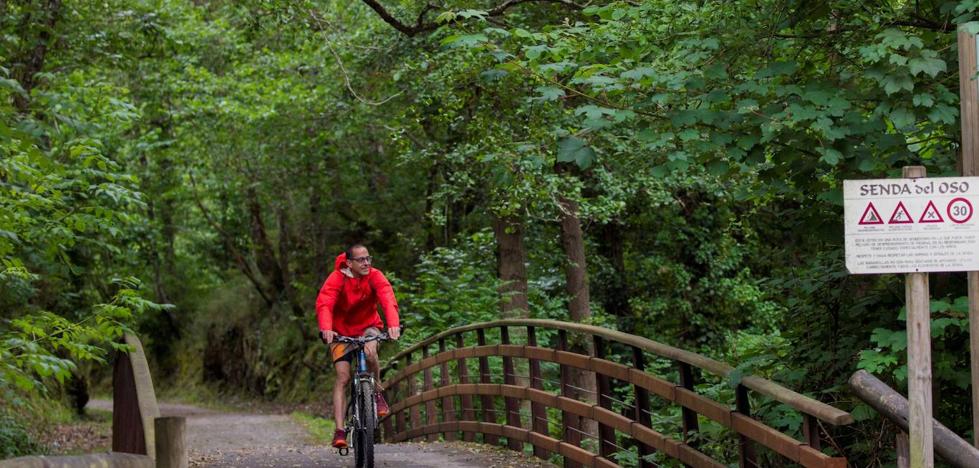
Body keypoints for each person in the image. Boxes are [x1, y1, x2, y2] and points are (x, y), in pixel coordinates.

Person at [315, 244, 401, 449]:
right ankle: (339, 430)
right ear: (349, 263)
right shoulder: (336, 278)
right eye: (361, 260)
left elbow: (388, 299)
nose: (366, 263)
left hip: (368, 327)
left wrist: (394, 325)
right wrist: (326, 329)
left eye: (368, 258)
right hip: (340, 331)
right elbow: (325, 303)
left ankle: (377, 392)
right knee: (343, 376)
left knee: (371, 354)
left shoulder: (375, 276)